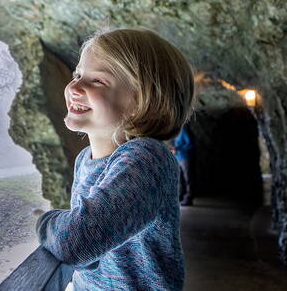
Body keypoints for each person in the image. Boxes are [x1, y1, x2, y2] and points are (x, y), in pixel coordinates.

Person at [36, 28, 194, 291]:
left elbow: (75, 242)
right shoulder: (85, 160)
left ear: (144, 100)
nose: (74, 87)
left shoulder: (146, 159)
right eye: (77, 75)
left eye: (97, 81)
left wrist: (43, 220)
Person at [173, 126, 195, 206]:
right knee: (180, 178)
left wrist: (178, 148)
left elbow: (190, 144)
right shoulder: (177, 130)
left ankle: (189, 198)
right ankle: (181, 196)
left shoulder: (184, 129)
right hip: (179, 157)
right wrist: (175, 149)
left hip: (185, 157)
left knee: (188, 179)